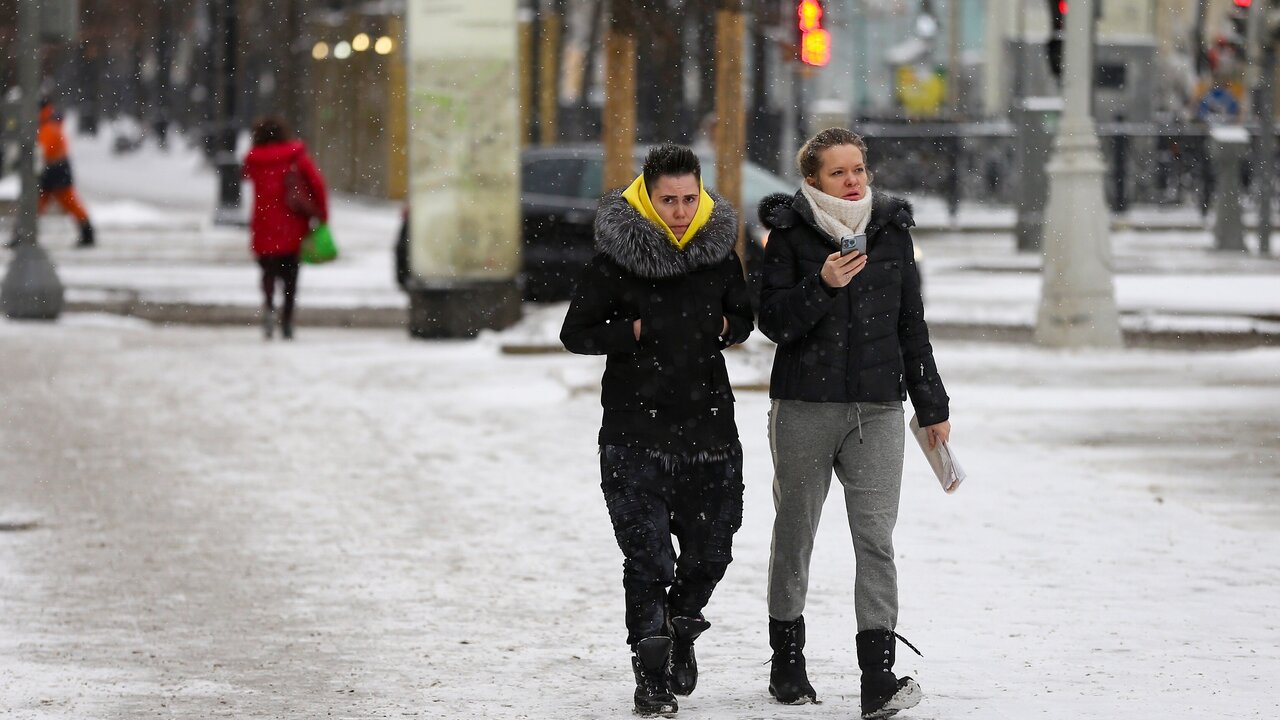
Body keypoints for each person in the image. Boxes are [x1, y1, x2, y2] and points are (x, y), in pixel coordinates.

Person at [756, 127, 951, 719]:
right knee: (795, 534)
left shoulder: (891, 231)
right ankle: (788, 663)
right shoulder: (788, 234)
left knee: (876, 539)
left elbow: (910, 324)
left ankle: (878, 677)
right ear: (813, 179)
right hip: (805, 407)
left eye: (859, 169)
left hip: (878, 409)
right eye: (839, 172)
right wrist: (821, 284)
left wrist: (932, 405)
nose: (853, 181)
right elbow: (773, 321)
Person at [560, 144, 754, 716]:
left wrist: (726, 325)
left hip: (710, 428)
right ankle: (651, 676)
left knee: (711, 552)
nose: (679, 210)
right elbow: (576, 332)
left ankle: (682, 631)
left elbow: (743, 316)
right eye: (668, 200)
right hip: (633, 430)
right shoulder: (613, 260)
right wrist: (634, 330)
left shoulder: (718, 254)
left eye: (689, 199)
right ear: (647, 197)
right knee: (647, 558)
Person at [241, 116, 328, 340]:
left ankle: (269, 307)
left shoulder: (254, 160)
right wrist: (322, 215)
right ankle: (287, 320)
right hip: (292, 226)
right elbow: (317, 185)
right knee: (291, 276)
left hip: (263, 225)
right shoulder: (296, 157)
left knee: (268, 272)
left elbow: (244, 176)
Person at [36, 99, 96, 248]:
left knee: (38, 203)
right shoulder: (49, 123)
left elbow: (44, 150)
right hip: (57, 170)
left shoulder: (47, 127)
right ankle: (86, 230)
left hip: (53, 170)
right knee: (64, 202)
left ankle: (23, 234)